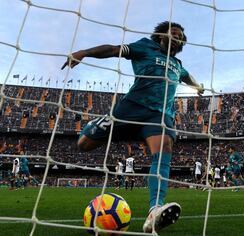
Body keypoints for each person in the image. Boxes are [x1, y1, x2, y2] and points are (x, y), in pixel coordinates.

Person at [61, 21, 203, 233]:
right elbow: (113, 49)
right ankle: (98, 123)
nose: (177, 37)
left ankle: (154, 210)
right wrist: (84, 52)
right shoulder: (144, 46)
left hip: (159, 116)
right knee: (84, 144)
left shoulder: (177, 64)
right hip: (130, 110)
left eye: (180, 36)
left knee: (164, 151)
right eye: (173, 33)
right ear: (161, 36)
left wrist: (198, 86)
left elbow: (186, 75)